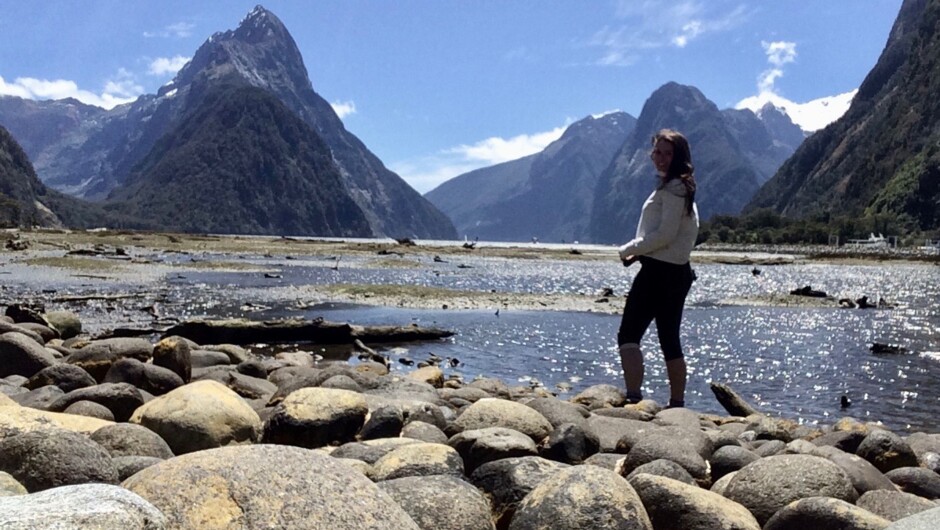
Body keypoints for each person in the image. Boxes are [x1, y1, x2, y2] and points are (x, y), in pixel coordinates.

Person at [617, 129, 699, 408]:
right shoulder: (679, 186)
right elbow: (672, 238)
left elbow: (665, 234)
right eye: (657, 152)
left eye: (667, 153)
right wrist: (641, 254)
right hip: (674, 270)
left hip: (660, 273)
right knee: (669, 339)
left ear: (678, 156)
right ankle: (676, 404)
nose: (661, 158)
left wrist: (629, 249)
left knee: (629, 335)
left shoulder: (675, 188)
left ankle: (633, 398)